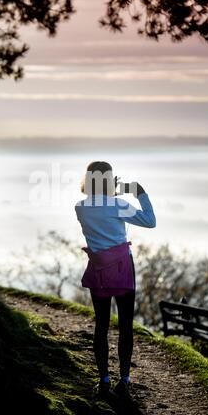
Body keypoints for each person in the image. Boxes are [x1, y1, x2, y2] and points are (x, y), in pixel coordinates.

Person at [75, 161, 156, 401]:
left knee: (101, 326)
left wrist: (108, 193)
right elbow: (150, 221)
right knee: (125, 326)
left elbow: (100, 206)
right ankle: (125, 380)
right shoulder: (118, 205)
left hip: (98, 270)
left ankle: (103, 380)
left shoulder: (81, 207)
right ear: (110, 181)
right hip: (122, 270)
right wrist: (139, 192)